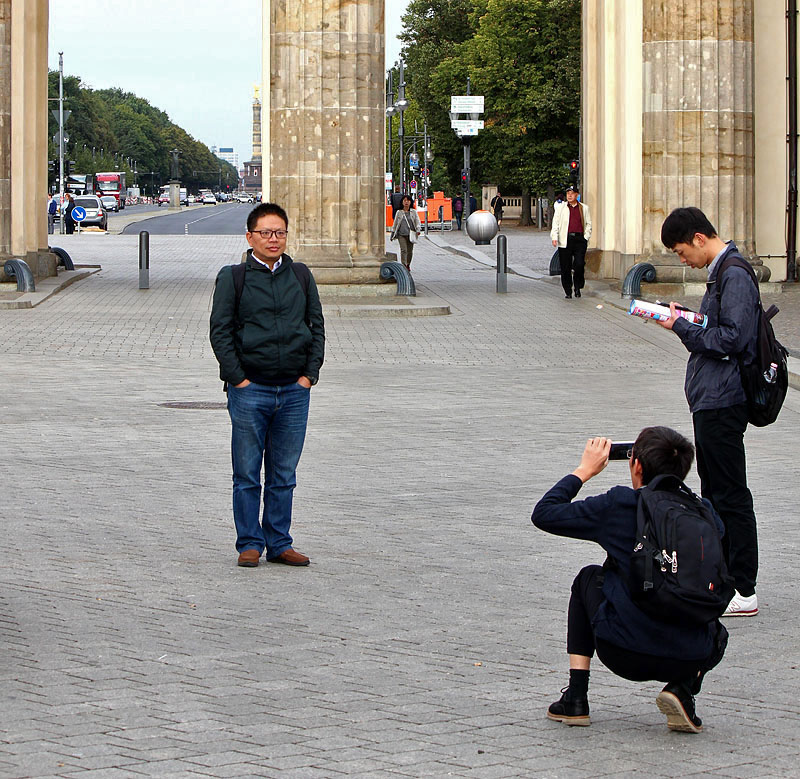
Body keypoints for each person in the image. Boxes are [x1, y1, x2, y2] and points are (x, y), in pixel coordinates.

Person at [532, 428, 728, 733]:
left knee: (588, 577)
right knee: (718, 630)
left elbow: (544, 514)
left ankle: (576, 698)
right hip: (691, 655)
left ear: (635, 465)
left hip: (623, 650)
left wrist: (584, 470)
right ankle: (682, 689)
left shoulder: (621, 505)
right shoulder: (706, 513)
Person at [209, 202, 325, 568]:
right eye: (266, 233)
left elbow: (316, 326)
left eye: (280, 233)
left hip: (294, 390)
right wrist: (238, 379)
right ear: (250, 237)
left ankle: (279, 542)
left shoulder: (302, 276)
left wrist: (309, 375)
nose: (273, 239)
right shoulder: (233, 277)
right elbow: (220, 332)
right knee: (246, 473)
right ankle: (250, 543)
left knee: (283, 474)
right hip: (250, 390)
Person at [657, 206, 760, 617]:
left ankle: (744, 588)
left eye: (682, 252)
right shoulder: (723, 272)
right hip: (711, 398)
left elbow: (731, 338)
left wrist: (681, 328)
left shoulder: (732, 272)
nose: (683, 260)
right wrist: (687, 317)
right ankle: (724, 580)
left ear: (700, 238)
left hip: (724, 399)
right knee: (715, 492)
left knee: (730, 494)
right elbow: (716, 326)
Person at [551, 184, 591, 299]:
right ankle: (568, 290)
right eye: (568, 193)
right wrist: (555, 237)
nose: (569, 195)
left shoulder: (584, 208)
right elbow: (556, 223)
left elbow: (588, 224)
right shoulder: (561, 208)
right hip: (565, 239)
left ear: (576, 195)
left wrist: (586, 237)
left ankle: (578, 286)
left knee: (579, 264)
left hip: (579, 239)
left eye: (572, 193)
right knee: (565, 266)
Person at [390, 194, 422, 270]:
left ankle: (408, 263)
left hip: (411, 234)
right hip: (401, 234)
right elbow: (395, 223)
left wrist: (418, 230)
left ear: (411, 202)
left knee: (410, 251)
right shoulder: (399, 212)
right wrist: (393, 232)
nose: (406, 202)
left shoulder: (413, 212)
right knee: (403, 250)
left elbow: (417, 221)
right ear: (402, 202)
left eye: (408, 200)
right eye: (404, 200)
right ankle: (403, 265)